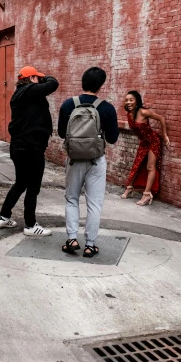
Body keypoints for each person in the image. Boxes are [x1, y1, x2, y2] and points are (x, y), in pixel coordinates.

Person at [57, 67, 119, 257]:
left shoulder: (68, 105)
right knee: (94, 203)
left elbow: (61, 133)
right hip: (96, 160)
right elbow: (113, 139)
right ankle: (90, 244)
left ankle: (72, 239)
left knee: (72, 199)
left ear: (82, 82)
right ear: (100, 86)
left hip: (74, 159)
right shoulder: (106, 108)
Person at [0, 66, 59, 236]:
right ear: (31, 79)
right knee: (33, 187)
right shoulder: (29, 90)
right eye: (36, 78)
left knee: (20, 183)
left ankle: (4, 216)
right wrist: (46, 76)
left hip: (19, 146)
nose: (39, 80)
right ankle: (30, 226)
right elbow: (53, 84)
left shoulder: (20, 93)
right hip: (31, 147)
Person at [120, 91, 169, 205]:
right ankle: (130, 187)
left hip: (153, 141)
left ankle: (147, 194)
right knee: (136, 165)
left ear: (137, 101)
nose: (128, 102)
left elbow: (161, 118)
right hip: (144, 142)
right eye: (126, 100)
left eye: (131, 100)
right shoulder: (129, 114)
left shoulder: (143, 112)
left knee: (150, 167)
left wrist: (165, 135)